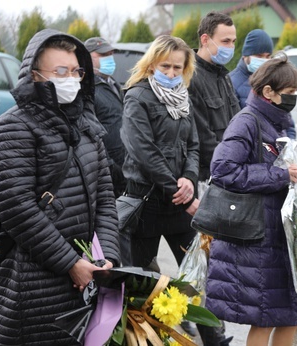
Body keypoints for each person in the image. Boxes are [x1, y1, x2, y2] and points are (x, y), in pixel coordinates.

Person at [0, 29, 120, 345]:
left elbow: (105, 198)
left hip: (84, 280)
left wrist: (107, 259)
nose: (71, 79)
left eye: (76, 71)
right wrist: (70, 263)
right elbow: (17, 209)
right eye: (61, 72)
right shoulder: (11, 127)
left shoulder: (86, 126)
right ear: (35, 75)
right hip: (32, 286)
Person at [120, 35, 231, 346]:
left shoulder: (182, 96)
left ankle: (213, 337)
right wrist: (176, 187)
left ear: (185, 69)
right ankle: (146, 339)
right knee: (142, 280)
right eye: (165, 66)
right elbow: (143, 150)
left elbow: (192, 145)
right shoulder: (137, 97)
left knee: (195, 273)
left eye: (176, 68)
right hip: (146, 201)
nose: (170, 73)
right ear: (152, 63)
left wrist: (189, 180)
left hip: (179, 201)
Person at [204, 53, 297, 346]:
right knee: (266, 319)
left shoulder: (275, 121)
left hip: (277, 238)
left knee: (292, 315)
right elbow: (223, 170)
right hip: (256, 241)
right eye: (289, 93)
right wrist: (279, 176)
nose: (293, 98)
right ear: (269, 92)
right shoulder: (247, 122)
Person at [188, 11, 241, 191]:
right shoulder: (192, 78)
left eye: (233, 41)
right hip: (208, 177)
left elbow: (237, 123)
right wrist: (231, 163)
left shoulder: (223, 76)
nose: (231, 47)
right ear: (205, 40)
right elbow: (201, 137)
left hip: (229, 172)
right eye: (225, 41)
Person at [229, 29, 297, 140]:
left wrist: (289, 145)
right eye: (259, 56)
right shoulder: (231, 83)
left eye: (268, 56)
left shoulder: (274, 80)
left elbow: (287, 121)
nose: (264, 60)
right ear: (246, 55)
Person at [84, 36, 126, 197]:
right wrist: (110, 165)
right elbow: (91, 132)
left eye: (110, 54)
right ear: (88, 58)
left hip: (123, 164)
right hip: (106, 168)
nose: (109, 58)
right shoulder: (88, 88)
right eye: (103, 55)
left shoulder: (113, 84)